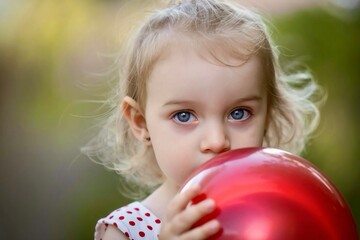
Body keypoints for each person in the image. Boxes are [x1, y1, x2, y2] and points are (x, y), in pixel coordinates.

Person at [82, 0, 322, 239]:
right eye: (184, 116)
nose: (217, 141)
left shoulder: (280, 214)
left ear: (268, 115)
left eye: (239, 113)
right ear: (141, 122)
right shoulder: (124, 231)